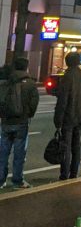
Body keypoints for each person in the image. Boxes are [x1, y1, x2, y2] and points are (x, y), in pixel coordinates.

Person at [0, 56, 39, 189]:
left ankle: (1, 179)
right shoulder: (30, 84)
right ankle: (17, 180)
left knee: (3, 152)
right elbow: (34, 103)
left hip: (6, 121)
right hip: (21, 121)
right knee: (19, 153)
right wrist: (28, 115)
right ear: (26, 67)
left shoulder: (6, 81)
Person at [53, 52, 81, 180]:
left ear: (67, 62)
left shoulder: (67, 77)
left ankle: (64, 173)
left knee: (66, 146)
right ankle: (74, 172)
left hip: (68, 116)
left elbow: (63, 100)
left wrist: (58, 120)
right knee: (77, 145)